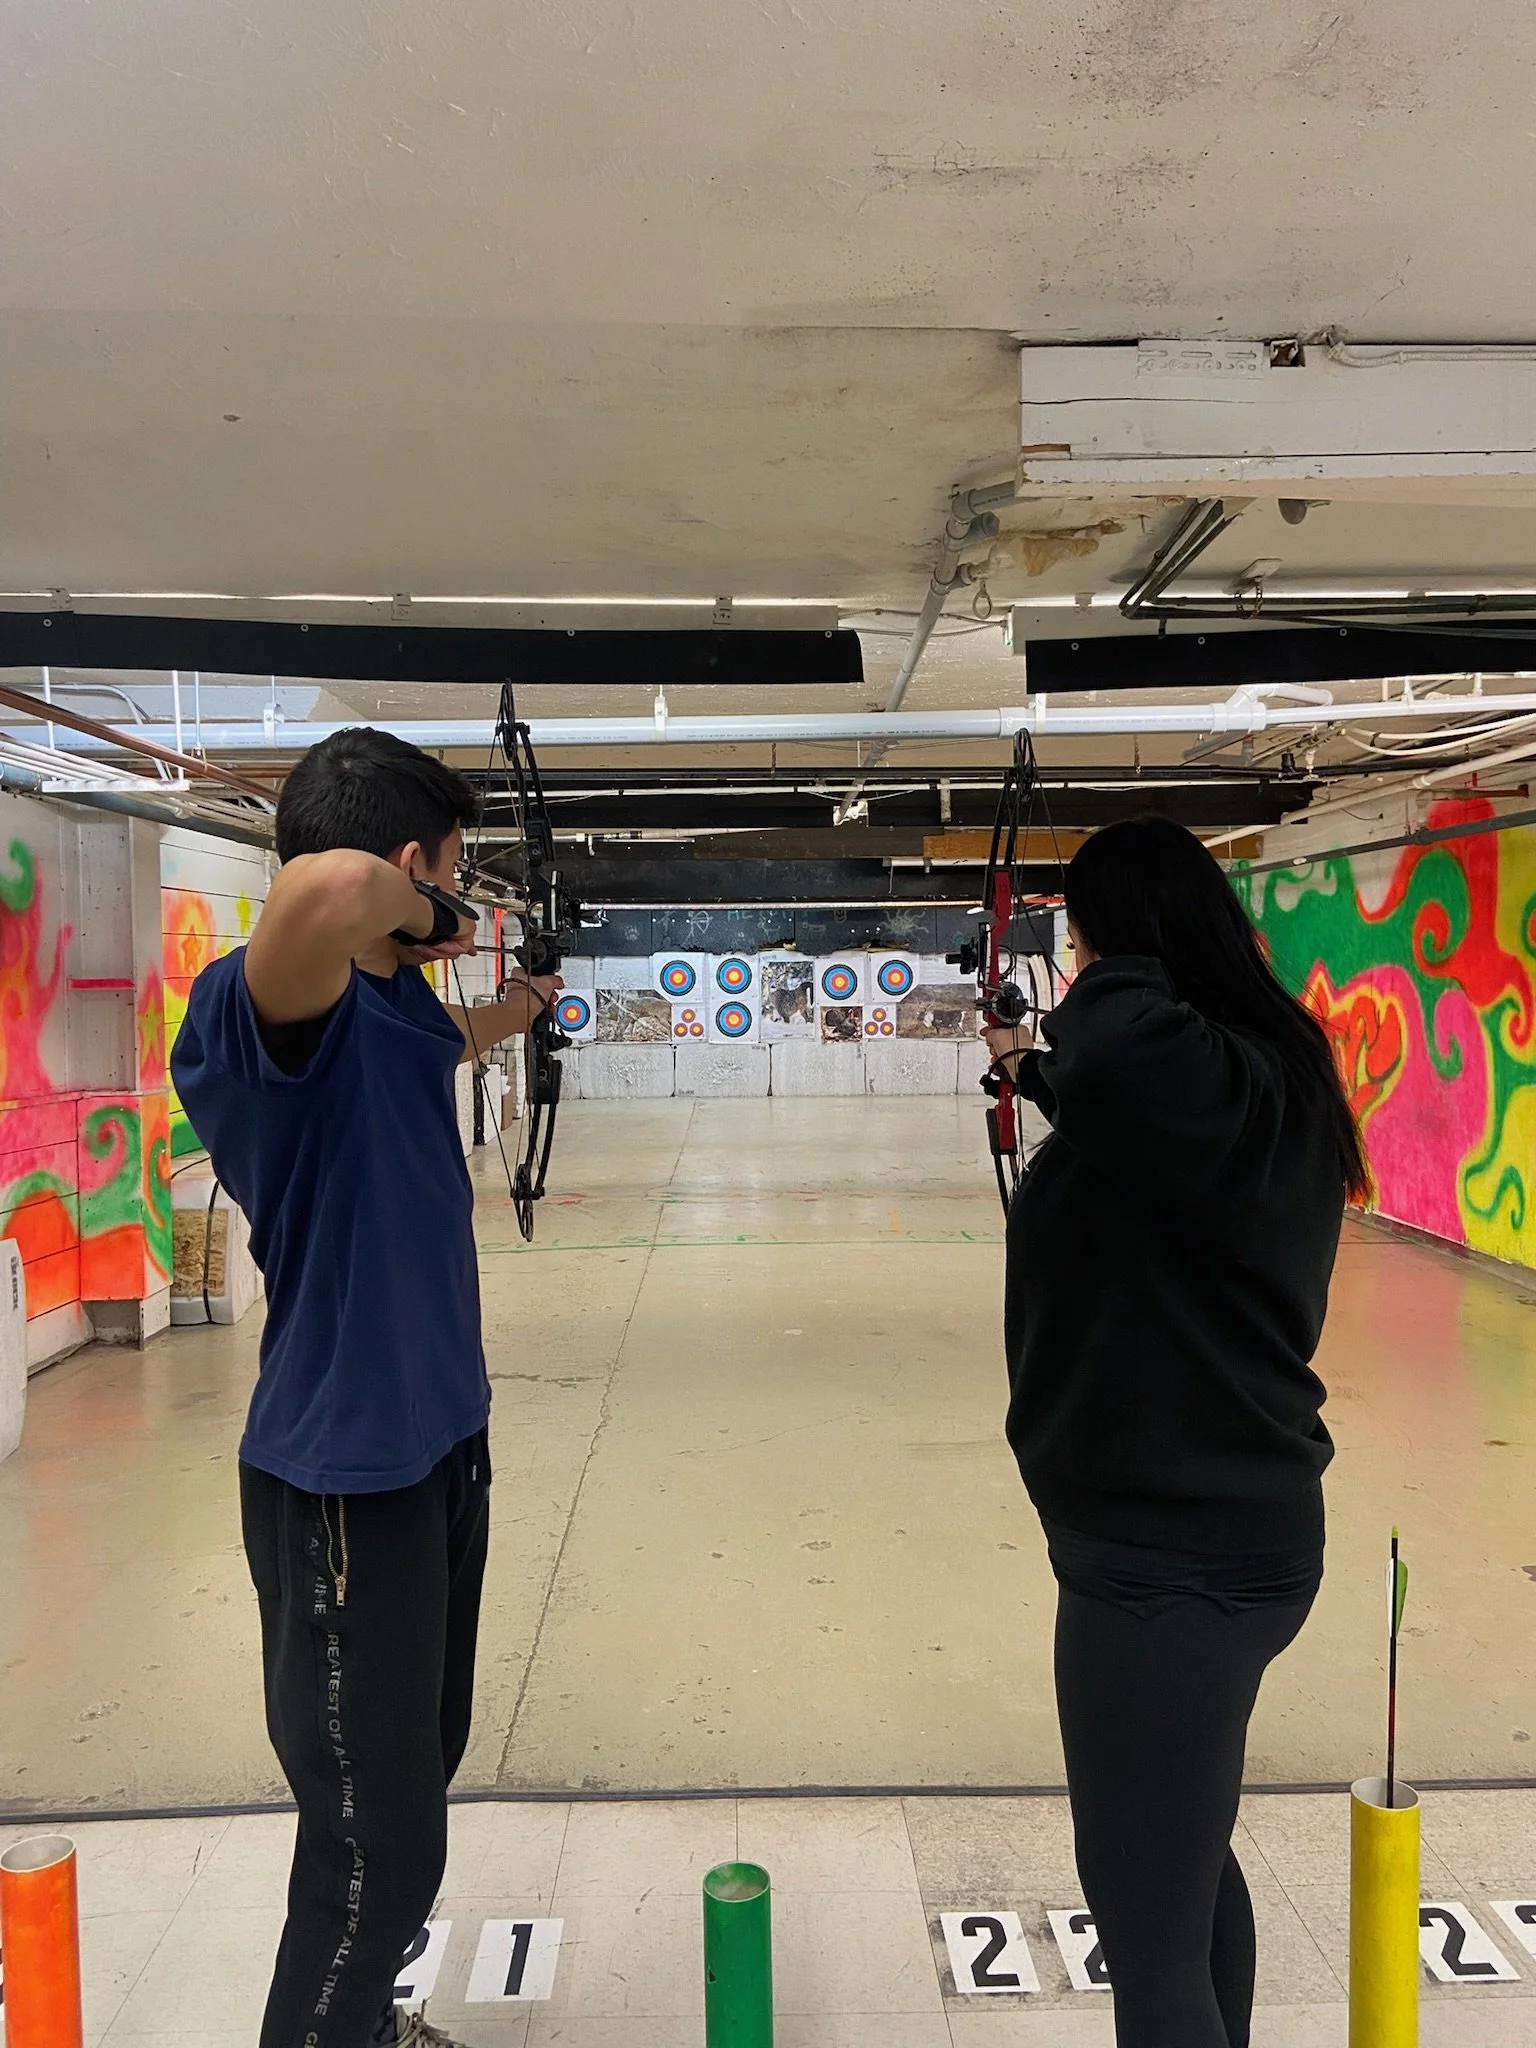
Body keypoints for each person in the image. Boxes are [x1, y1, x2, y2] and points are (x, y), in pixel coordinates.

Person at [172, 728, 560, 2048]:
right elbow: (325, 897)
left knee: (403, 1799)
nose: (455, 898)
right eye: (450, 868)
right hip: (345, 1480)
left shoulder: (387, 1013)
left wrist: (526, 1007)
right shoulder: (255, 1012)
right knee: (371, 1858)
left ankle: (361, 2028)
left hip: (440, 1455)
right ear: (409, 866)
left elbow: (456, 1030)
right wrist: (443, 906)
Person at [983, 816, 1368, 2048]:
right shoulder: (1259, 1070)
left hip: (1166, 1561)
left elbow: (1130, 1052)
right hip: (1220, 1530)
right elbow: (1144, 1121)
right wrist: (1031, 1065)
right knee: (1185, 1867)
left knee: (1146, 1931)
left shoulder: (1183, 1057)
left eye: (1086, 939)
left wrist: (1095, 973)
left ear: (1122, 944)